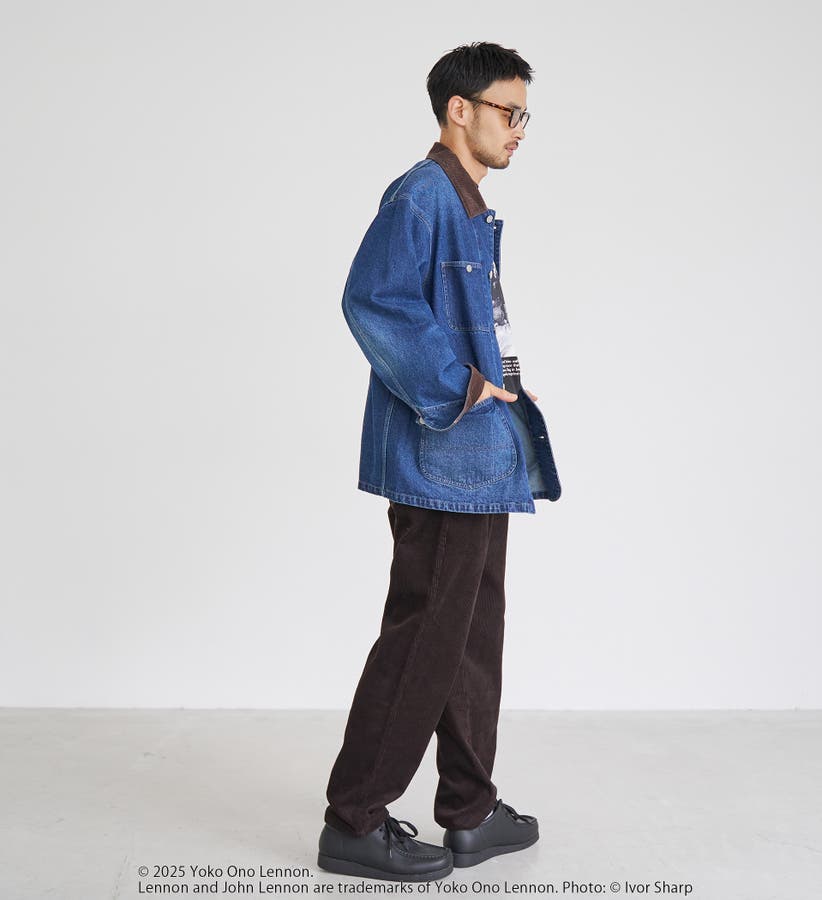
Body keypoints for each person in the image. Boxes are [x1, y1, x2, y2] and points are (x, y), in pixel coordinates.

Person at [317, 41, 562, 882]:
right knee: (427, 634)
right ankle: (354, 819)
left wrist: (498, 392)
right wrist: (461, 387)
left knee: (471, 636)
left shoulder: (467, 205)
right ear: (460, 109)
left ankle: (470, 809)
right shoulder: (422, 195)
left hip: (477, 457)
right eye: (508, 110)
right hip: (441, 459)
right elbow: (373, 299)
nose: (519, 127)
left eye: (525, 114)